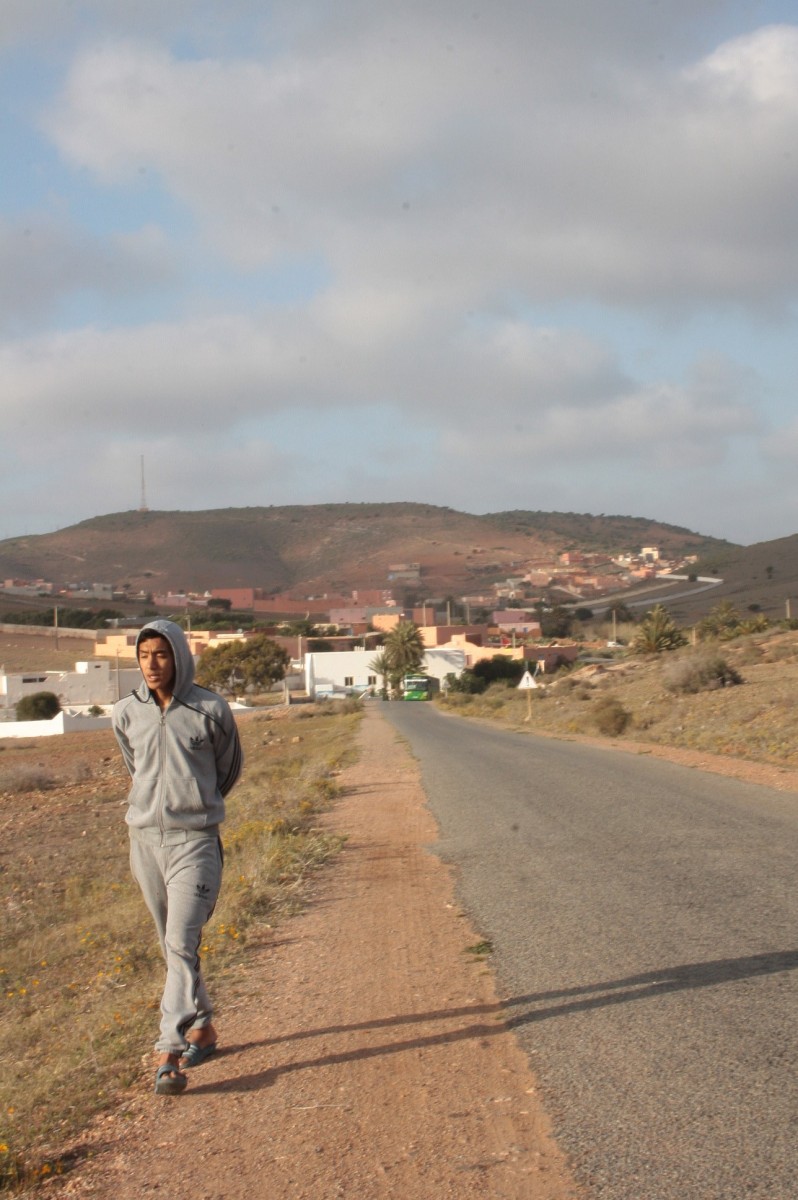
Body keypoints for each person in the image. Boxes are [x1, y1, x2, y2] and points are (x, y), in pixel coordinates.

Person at [112, 619, 243, 1096]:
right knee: (173, 947)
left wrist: (196, 804)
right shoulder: (126, 712)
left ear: (179, 657)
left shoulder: (211, 709)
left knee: (181, 942)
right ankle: (203, 1028)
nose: (151, 664)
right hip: (145, 842)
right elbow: (135, 766)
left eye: (161, 654)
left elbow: (227, 770)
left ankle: (168, 1052)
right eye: (144, 655)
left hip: (195, 842)